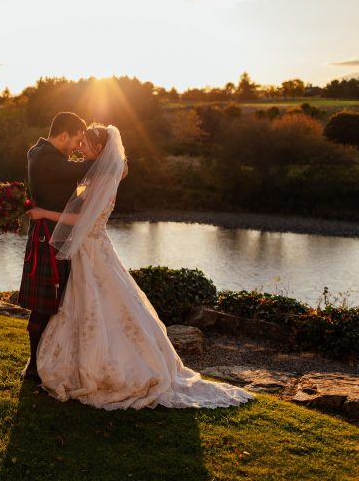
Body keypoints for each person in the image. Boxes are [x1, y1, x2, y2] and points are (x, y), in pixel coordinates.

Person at [27, 124, 254, 409]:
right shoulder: (102, 172)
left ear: (99, 150)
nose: (80, 148)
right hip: (91, 249)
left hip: (92, 249)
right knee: (91, 305)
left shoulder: (101, 177)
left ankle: (107, 368)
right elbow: (86, 188)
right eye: (80, 142)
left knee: (99, 305)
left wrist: (42, 213)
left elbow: (80, 219)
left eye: (85, 144)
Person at [18, 112, 93, 381]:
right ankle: (35, 366)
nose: (77, 147)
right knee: (45, 303)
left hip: (54, 234)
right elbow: (78, 170)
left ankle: (42, 360)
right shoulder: (46, 158)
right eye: (76, 140)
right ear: (64, 135)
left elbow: (69, 185)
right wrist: (104, 156)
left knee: (54, 301)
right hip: (49, 237)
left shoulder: (42, 153)